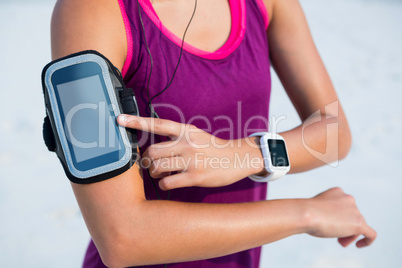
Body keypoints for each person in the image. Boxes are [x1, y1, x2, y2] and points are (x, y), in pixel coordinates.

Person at [50, 0, 376, 267]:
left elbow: (333, 133)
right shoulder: (89, 11)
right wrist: (306, 213)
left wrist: (246, 154)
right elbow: (122, 238)